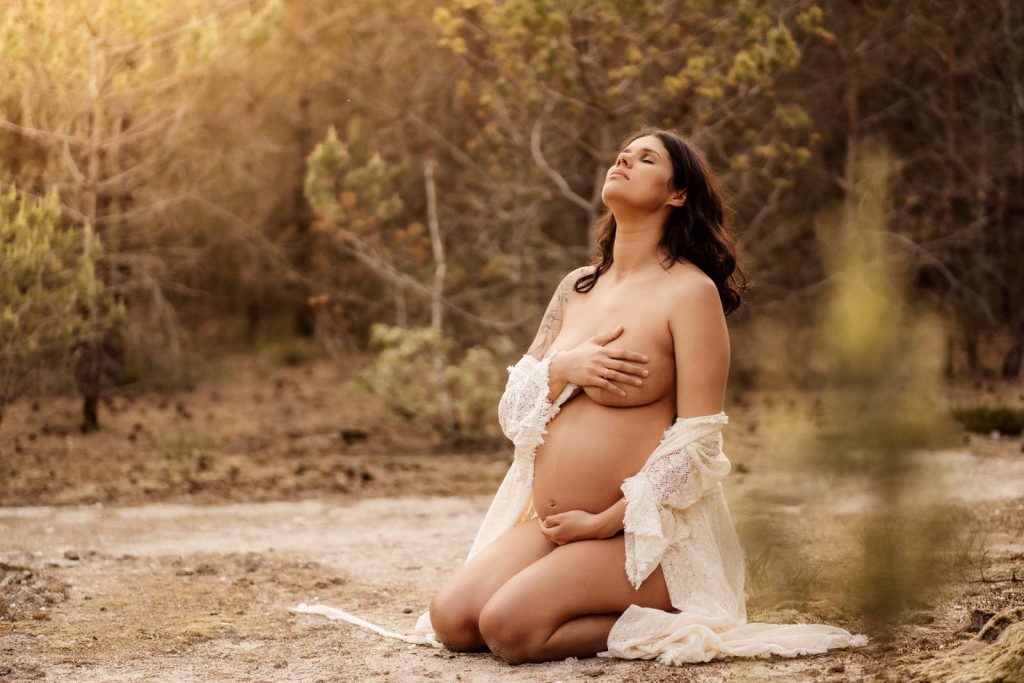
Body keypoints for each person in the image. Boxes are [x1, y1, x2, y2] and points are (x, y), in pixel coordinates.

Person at [293, 128, 869, 666]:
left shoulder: (691, 294)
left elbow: (697, 443)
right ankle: (566, 587)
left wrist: (607, 521)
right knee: (452, 620)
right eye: (624, 152)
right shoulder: (577, 287)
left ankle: (670, 609)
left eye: (647, 159)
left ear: (676, 195)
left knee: (510, 630)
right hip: (551, 525)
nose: (624, 159)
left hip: (641, 537)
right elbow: (514, 412)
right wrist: (564, 368)